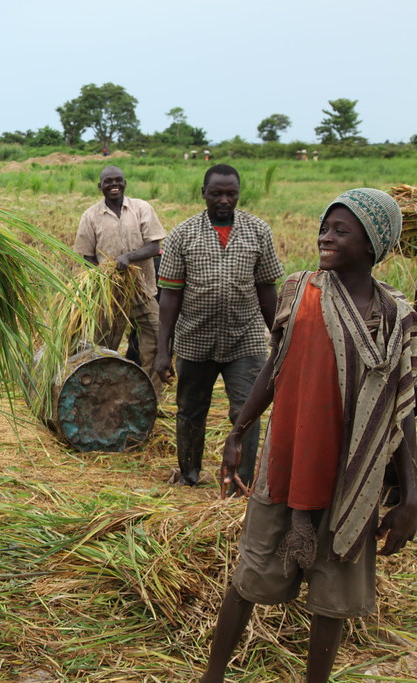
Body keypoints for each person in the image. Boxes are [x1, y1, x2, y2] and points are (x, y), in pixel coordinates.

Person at [201, 189, 417, 683]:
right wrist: (238, 430)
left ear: (373, 244)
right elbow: (273, 367)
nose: (326, 236)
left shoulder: (395, 316)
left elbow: (401, 413)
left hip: (351, 476)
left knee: (332, 600)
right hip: (286, 461)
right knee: (249, 578)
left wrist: (411, 494)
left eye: (342, 230)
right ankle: (213, 675)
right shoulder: (300, 291)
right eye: (325, 226)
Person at [155, 164, 284, 488]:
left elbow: (266, 288)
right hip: (195, 339)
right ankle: (188, 474)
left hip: (246, 338)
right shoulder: (182, 235)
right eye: (217, 193)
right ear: (204, 194)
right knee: (190, 411)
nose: (224, 200)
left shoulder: (258, 231)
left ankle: (239, 481)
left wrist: (282, 335)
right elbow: (170, 295)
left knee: (246, 412)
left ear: (239, 194)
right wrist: (162, 350)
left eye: (231, 194)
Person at [74, 165, 166, 394]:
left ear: (125, 183)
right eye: (108, 182)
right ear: (100, 186)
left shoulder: (141, 208)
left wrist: (129, 258)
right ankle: (102, 393)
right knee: (103, 345)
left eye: (118, 180)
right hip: (109, 294)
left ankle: (149, 394)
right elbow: (85, 256)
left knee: (156, 334)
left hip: (142, 288)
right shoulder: (91, 216)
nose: (113, 185)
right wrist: (103, 278)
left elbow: (154, 246)